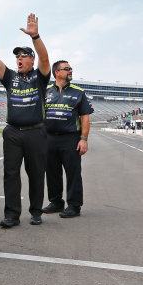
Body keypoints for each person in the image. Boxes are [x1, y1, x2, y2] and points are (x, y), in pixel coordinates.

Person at [0, 13, 51, 228]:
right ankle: (12, 215)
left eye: (24, 56)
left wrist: (36, 37)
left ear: (31, 59)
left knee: (35, 174)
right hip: (13, 132)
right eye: (17, 56)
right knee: (11, 174)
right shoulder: (10, 77)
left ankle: (36, 212)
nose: (19, 59)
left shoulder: (39, 76)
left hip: (35, 132)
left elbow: (45, 59)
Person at [43, 60, 93, 218]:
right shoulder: (45, 91)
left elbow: (85, 117)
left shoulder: (78, 91)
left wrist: (83, 138)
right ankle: (56, 202)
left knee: (73, 173)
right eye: (67, 69)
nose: (71, 71)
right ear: (57, 72)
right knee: (52, 173)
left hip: (70, 138)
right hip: (49, 138)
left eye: (71, 69)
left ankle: (74, 205)